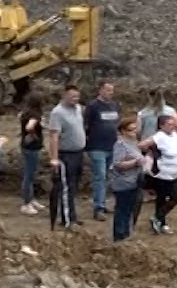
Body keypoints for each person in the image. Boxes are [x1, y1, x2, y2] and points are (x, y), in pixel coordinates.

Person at [138, 113, 177, 234]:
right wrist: (154, 153)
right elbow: (142, 145)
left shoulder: (174, 135)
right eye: (169, 125)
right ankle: (160, 221)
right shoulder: (158, 136)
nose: (172, 127)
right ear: (161, 126)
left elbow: (176, 152)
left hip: (174, 172)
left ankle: (158, 219)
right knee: (165, 197)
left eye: (173, 124)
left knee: (174, 197)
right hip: (162, 173)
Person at [48, 84, 86, 230]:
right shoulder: (57, 113)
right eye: (72, 96)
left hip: (78, 152)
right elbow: (54, 136)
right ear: (64, 95)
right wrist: (54, 158)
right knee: (66, 188)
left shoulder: (78, 109)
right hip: (66, 154)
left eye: (77, 96)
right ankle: (68, 220)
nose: (75, 99)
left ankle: (72, 215)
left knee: (74, 186)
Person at [83, 80, 122, 222]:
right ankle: (98, 207)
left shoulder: (115, 105)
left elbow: (118, 124)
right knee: (100, 176)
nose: (110, 93)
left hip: (112, 146)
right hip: (96, 146)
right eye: (107, 90)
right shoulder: (93, 106)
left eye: (111, 90)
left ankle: (103, 203)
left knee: (108, 177)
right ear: (100, 90)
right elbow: (85, 125)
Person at [108, 118, 146, 242]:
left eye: (135, 129)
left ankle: (126, 233)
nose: (134, 132)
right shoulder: (120, 145)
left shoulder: (134, 143)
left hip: (134, 180)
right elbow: (118, 164)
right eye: (131, 130)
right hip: (123, 182)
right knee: (122, 210)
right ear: (123, 131)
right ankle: (119, 236)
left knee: (130, 209)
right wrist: (135, 162)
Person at [17, 93, 45, 216]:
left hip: (25, 146)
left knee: (31, 174)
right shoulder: (35, 115)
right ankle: (26, 203)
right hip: (32, 147)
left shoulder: (24, 113)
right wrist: (34, 136)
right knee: (29, 175)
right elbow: (29, 127)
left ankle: (31, 199)